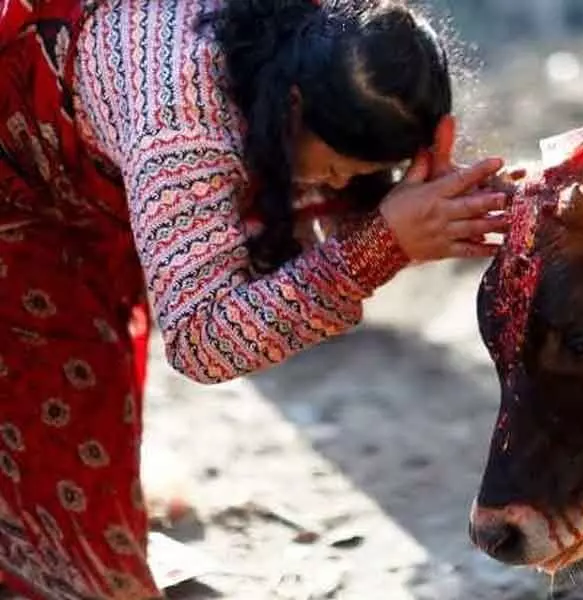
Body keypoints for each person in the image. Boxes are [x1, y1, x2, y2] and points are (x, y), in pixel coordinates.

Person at [0, 0, 512, 597]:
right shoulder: (184, 129)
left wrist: (438, 197)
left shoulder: (321, 37)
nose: (340, 187)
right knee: (62, 507)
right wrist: (378, 249)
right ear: (292, 106)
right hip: (19, 203)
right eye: (337, 169)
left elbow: (303, 199)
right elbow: (201, 338)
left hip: (76, 179)